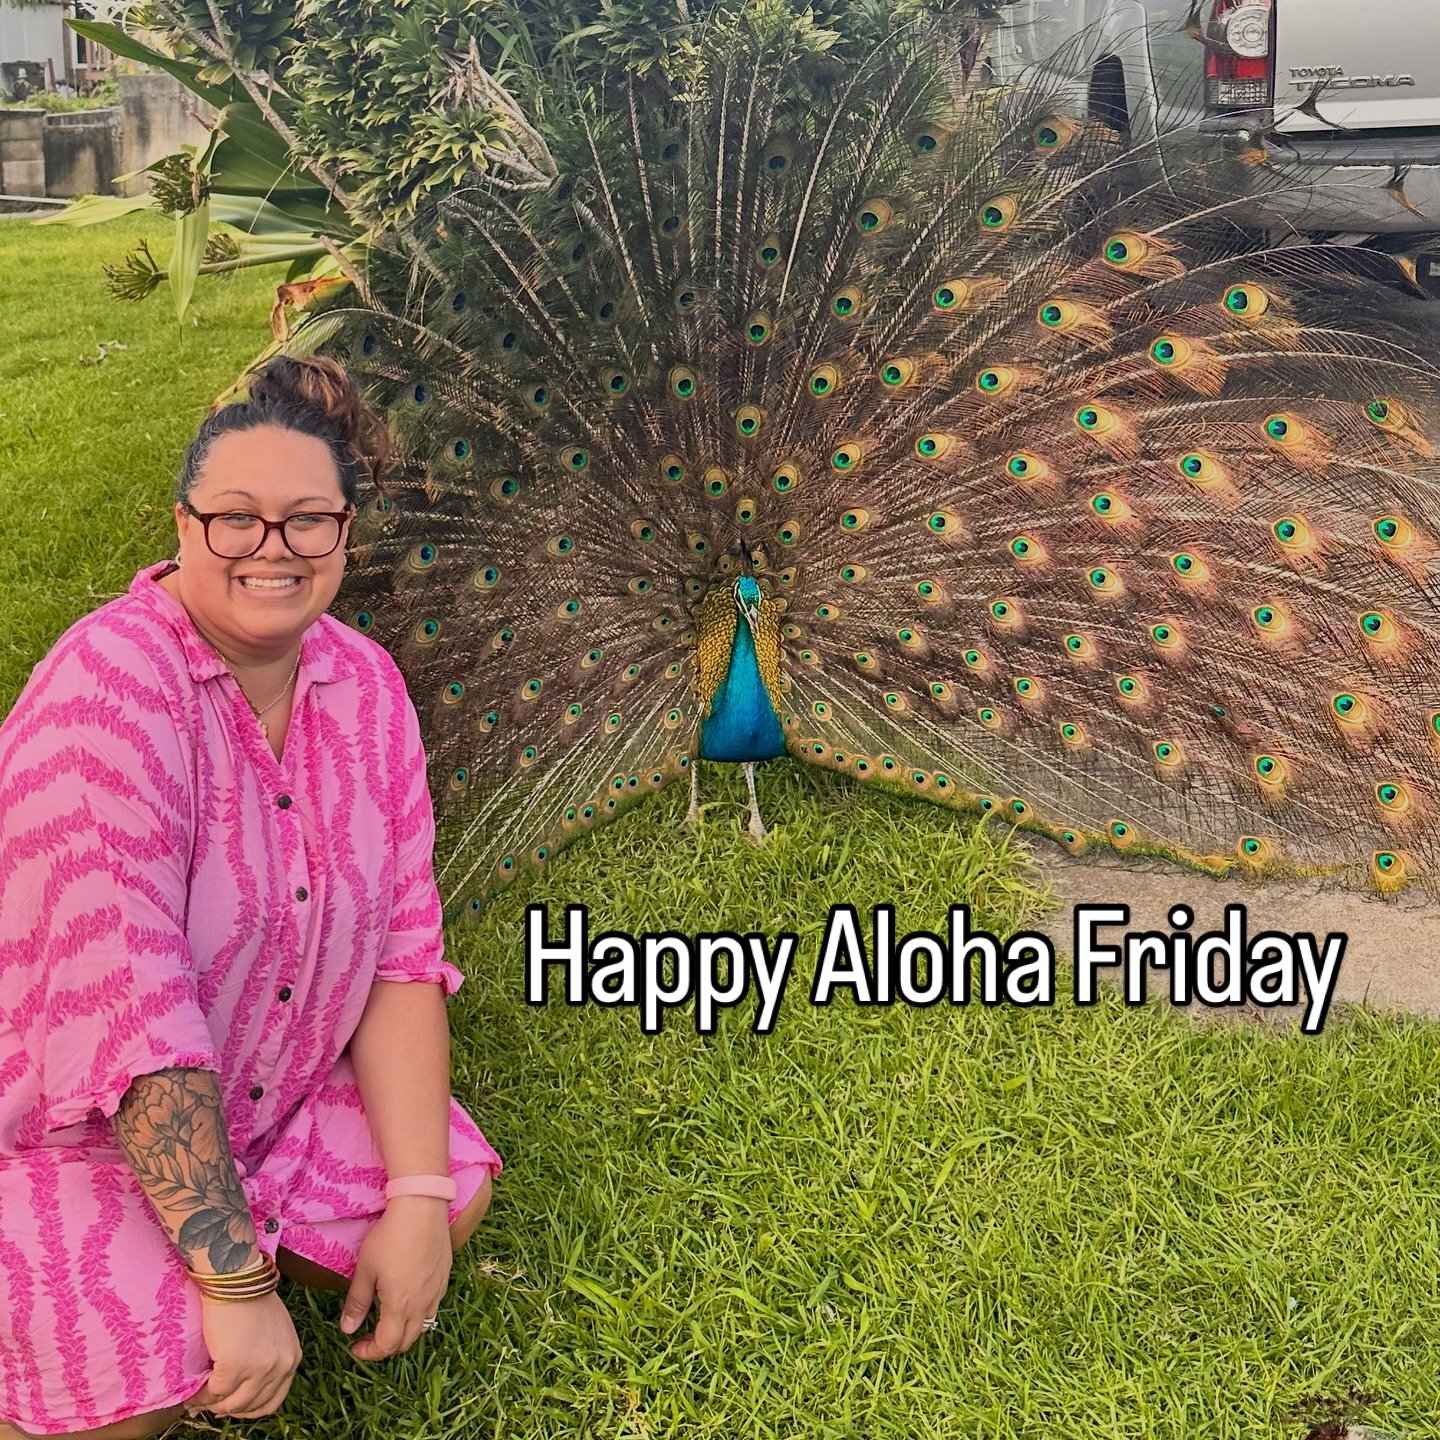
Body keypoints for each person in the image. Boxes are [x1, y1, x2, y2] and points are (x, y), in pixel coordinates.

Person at [0, 356, 501, 1439]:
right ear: (182, 527)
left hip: (263, 1096)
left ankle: (237, 1246)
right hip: (63, 1119)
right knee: (149, 1376)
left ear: (345, 536)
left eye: (307, 520)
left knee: (452, 1188)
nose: (272, 550)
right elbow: (137, 1029)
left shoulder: (365, 686)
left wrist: (413, 1199)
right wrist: (233, 1291)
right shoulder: (111, 693)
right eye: (237, 519)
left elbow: (403, 952)